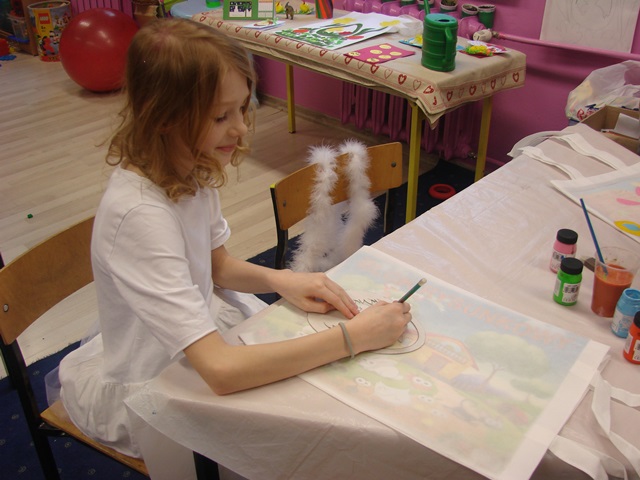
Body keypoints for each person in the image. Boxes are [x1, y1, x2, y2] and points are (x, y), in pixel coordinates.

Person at [58, 18, 412, 458]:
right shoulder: (141, 216)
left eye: (243, 108)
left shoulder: (187, 167)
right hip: (155, 382)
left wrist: (284, 280)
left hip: (195, 337)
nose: (242, 128)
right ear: (163, 117)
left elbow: (216, 265)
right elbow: (221, 371)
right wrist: (352, 338)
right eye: (221, 116)